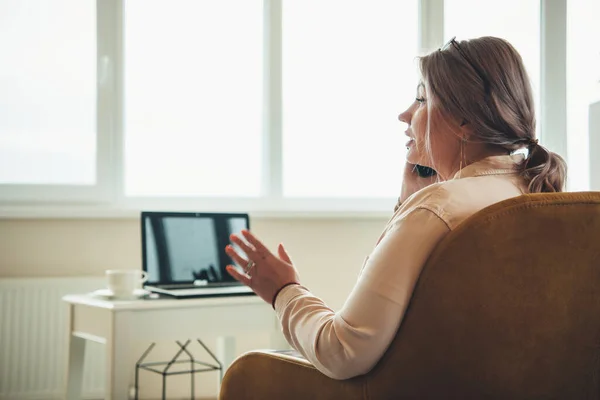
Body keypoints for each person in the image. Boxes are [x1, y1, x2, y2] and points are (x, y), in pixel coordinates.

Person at [224, 36, 567, 380]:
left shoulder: (438, 209)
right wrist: (408, 200)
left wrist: (284, 290)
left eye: (421, 99)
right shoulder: (538, 194)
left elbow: (342, 351)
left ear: (466, 121)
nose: (405, 114)